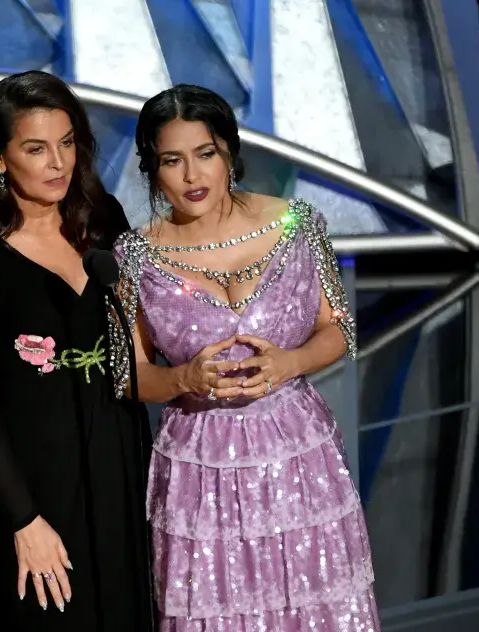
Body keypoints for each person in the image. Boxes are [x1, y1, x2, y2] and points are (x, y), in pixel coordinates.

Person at [109, 84, 380, 631]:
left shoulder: (297, 225)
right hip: (199, 468)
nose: (192, 177)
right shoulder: (135, 255)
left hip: (299, 459)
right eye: (172, 160)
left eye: (205, 154)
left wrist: (291, 363)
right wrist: (183, 376)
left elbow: (338, 329)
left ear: (229, 152)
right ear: (151, 169)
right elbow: (128, 376)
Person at [0, 70, 154, 632]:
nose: (58, 162)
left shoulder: (104, 223)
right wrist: (23, 520)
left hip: (119, 468)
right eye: (36, 148)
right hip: (35, 490)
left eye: (67, 143)